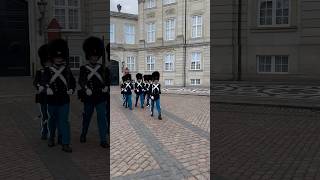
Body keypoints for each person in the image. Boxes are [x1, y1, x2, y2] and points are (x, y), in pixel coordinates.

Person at [42, 39, 76, 153]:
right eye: (56, 57)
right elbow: (43, 81)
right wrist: (47, 88)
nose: (58, 59)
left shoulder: (66, 70)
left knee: (64, 121)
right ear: (53, 57)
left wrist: (71, 89)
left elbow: (72, 81)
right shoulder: (47, 70)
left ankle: (65, 142)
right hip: (51, 100)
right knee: (52, 120)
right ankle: (52, 137)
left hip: (64, 100)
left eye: (60, 57)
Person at [78, 36, 109, 148]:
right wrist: (86, 89)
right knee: (87, 116)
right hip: (89, 96)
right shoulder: (83, 68)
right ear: (88, 56)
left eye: (96, 56)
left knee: (102, 117)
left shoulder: (103, 68)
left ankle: (103, 139)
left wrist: (106, 87)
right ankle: (83, 133)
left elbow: (107, 80)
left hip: (100, 96)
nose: (94, 58)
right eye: (92, 56)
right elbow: (81, 80)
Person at [33, 44, 50, 140]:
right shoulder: (40, 71)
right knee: (44, 115)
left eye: (49, 62)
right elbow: (35, 81)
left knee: (52, 116)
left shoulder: (54, 72)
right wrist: (38, 86)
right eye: (46, 62)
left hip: (52, 97)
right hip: (43, 97)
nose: (48, 63)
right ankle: (44, 131)